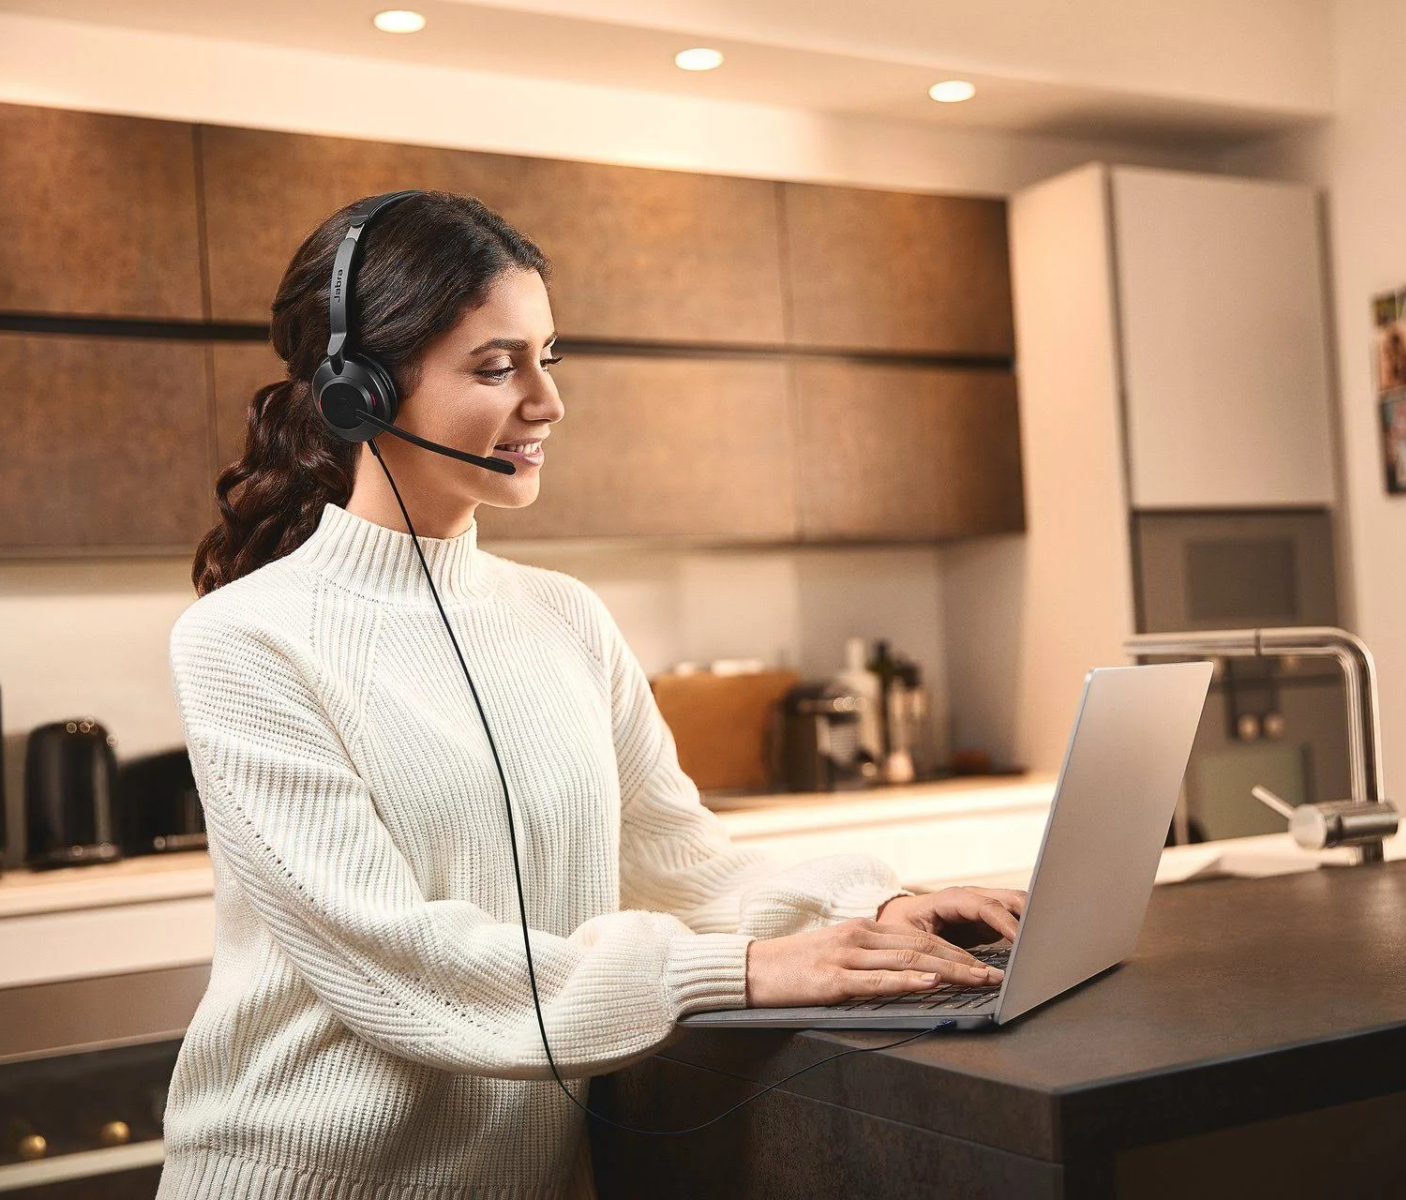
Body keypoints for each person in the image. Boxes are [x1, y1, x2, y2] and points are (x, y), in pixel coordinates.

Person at [159, 191, 1026, 1200]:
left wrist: (878, 904)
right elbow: (395, 962)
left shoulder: (564, 616)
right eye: (497, 366)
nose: (547, 402)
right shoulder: (243, 642)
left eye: (546, 358)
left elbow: (681, 869)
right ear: (361, 391)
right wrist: (739, 971)